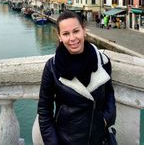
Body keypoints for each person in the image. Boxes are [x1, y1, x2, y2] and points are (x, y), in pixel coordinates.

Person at [37, 10, 116, 145]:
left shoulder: (103, 61)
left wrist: (105, 120)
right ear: (60, 37)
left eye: (76, 31)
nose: (72, 38)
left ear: (84, 30)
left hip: (98, 139)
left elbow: (109, 94)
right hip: (66, 140)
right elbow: (44, 112)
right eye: (66, 34)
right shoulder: (52, 67)